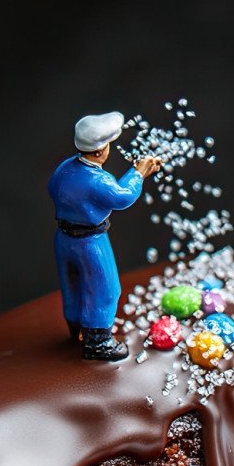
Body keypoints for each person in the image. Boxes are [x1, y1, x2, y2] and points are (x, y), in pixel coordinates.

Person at [48, 112, 161, 361]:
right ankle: (97, 342)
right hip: (90, 242)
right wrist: (139, 172)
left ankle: (76, 329)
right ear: (100, 151)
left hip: (63, 238)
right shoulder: (98, 179)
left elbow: (51, 188)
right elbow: (121, 196)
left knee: (72, 285)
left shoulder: (65, 168)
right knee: (105, 288)